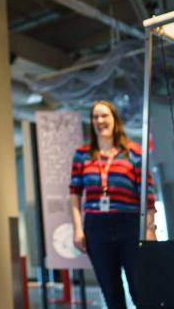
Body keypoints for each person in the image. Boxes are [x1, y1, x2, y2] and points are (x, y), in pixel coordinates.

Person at [69, 100, 156, 309]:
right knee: (111, 291)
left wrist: (150, 229)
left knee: (141, 289)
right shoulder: (82, 154)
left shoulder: (133, 152)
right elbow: (74, 194)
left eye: (104, 116)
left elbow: (148, 196)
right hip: (96, 228)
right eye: (95, 117)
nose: (100, 120)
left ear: (114, 120)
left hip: (130, 225)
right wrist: (78, 229)